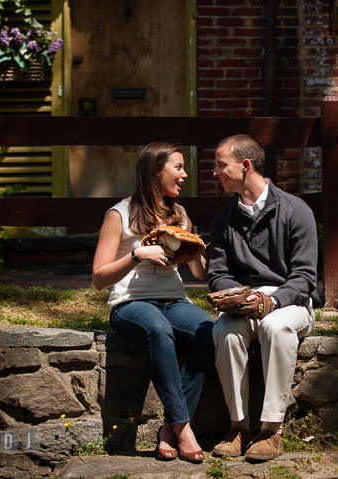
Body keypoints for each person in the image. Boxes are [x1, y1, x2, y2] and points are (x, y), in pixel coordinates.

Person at [92, 142, 214, 463]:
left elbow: (200, 274)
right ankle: (184, 428)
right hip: (131, 303)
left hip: (174, 300)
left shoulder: (180, 214)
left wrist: (195, 252)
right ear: (156, 171)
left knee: (209, 330)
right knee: (159, 330)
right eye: (178, 167)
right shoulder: (119, 214)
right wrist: (136, 254)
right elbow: (99, 277)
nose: (185, 174)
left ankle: (168, 429)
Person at [208, 134, 321, 461]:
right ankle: (238, 428)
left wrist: (270, 301)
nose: (215, 172)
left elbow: (304, 277)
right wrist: (238, 296)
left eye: (221, 165)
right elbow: (217, 274)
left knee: (274, 327)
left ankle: (271, 431)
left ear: (245, 166)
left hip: (291, 302)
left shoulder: (296, 211)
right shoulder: (223, 220)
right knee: (224, 332)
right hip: (242, 302)